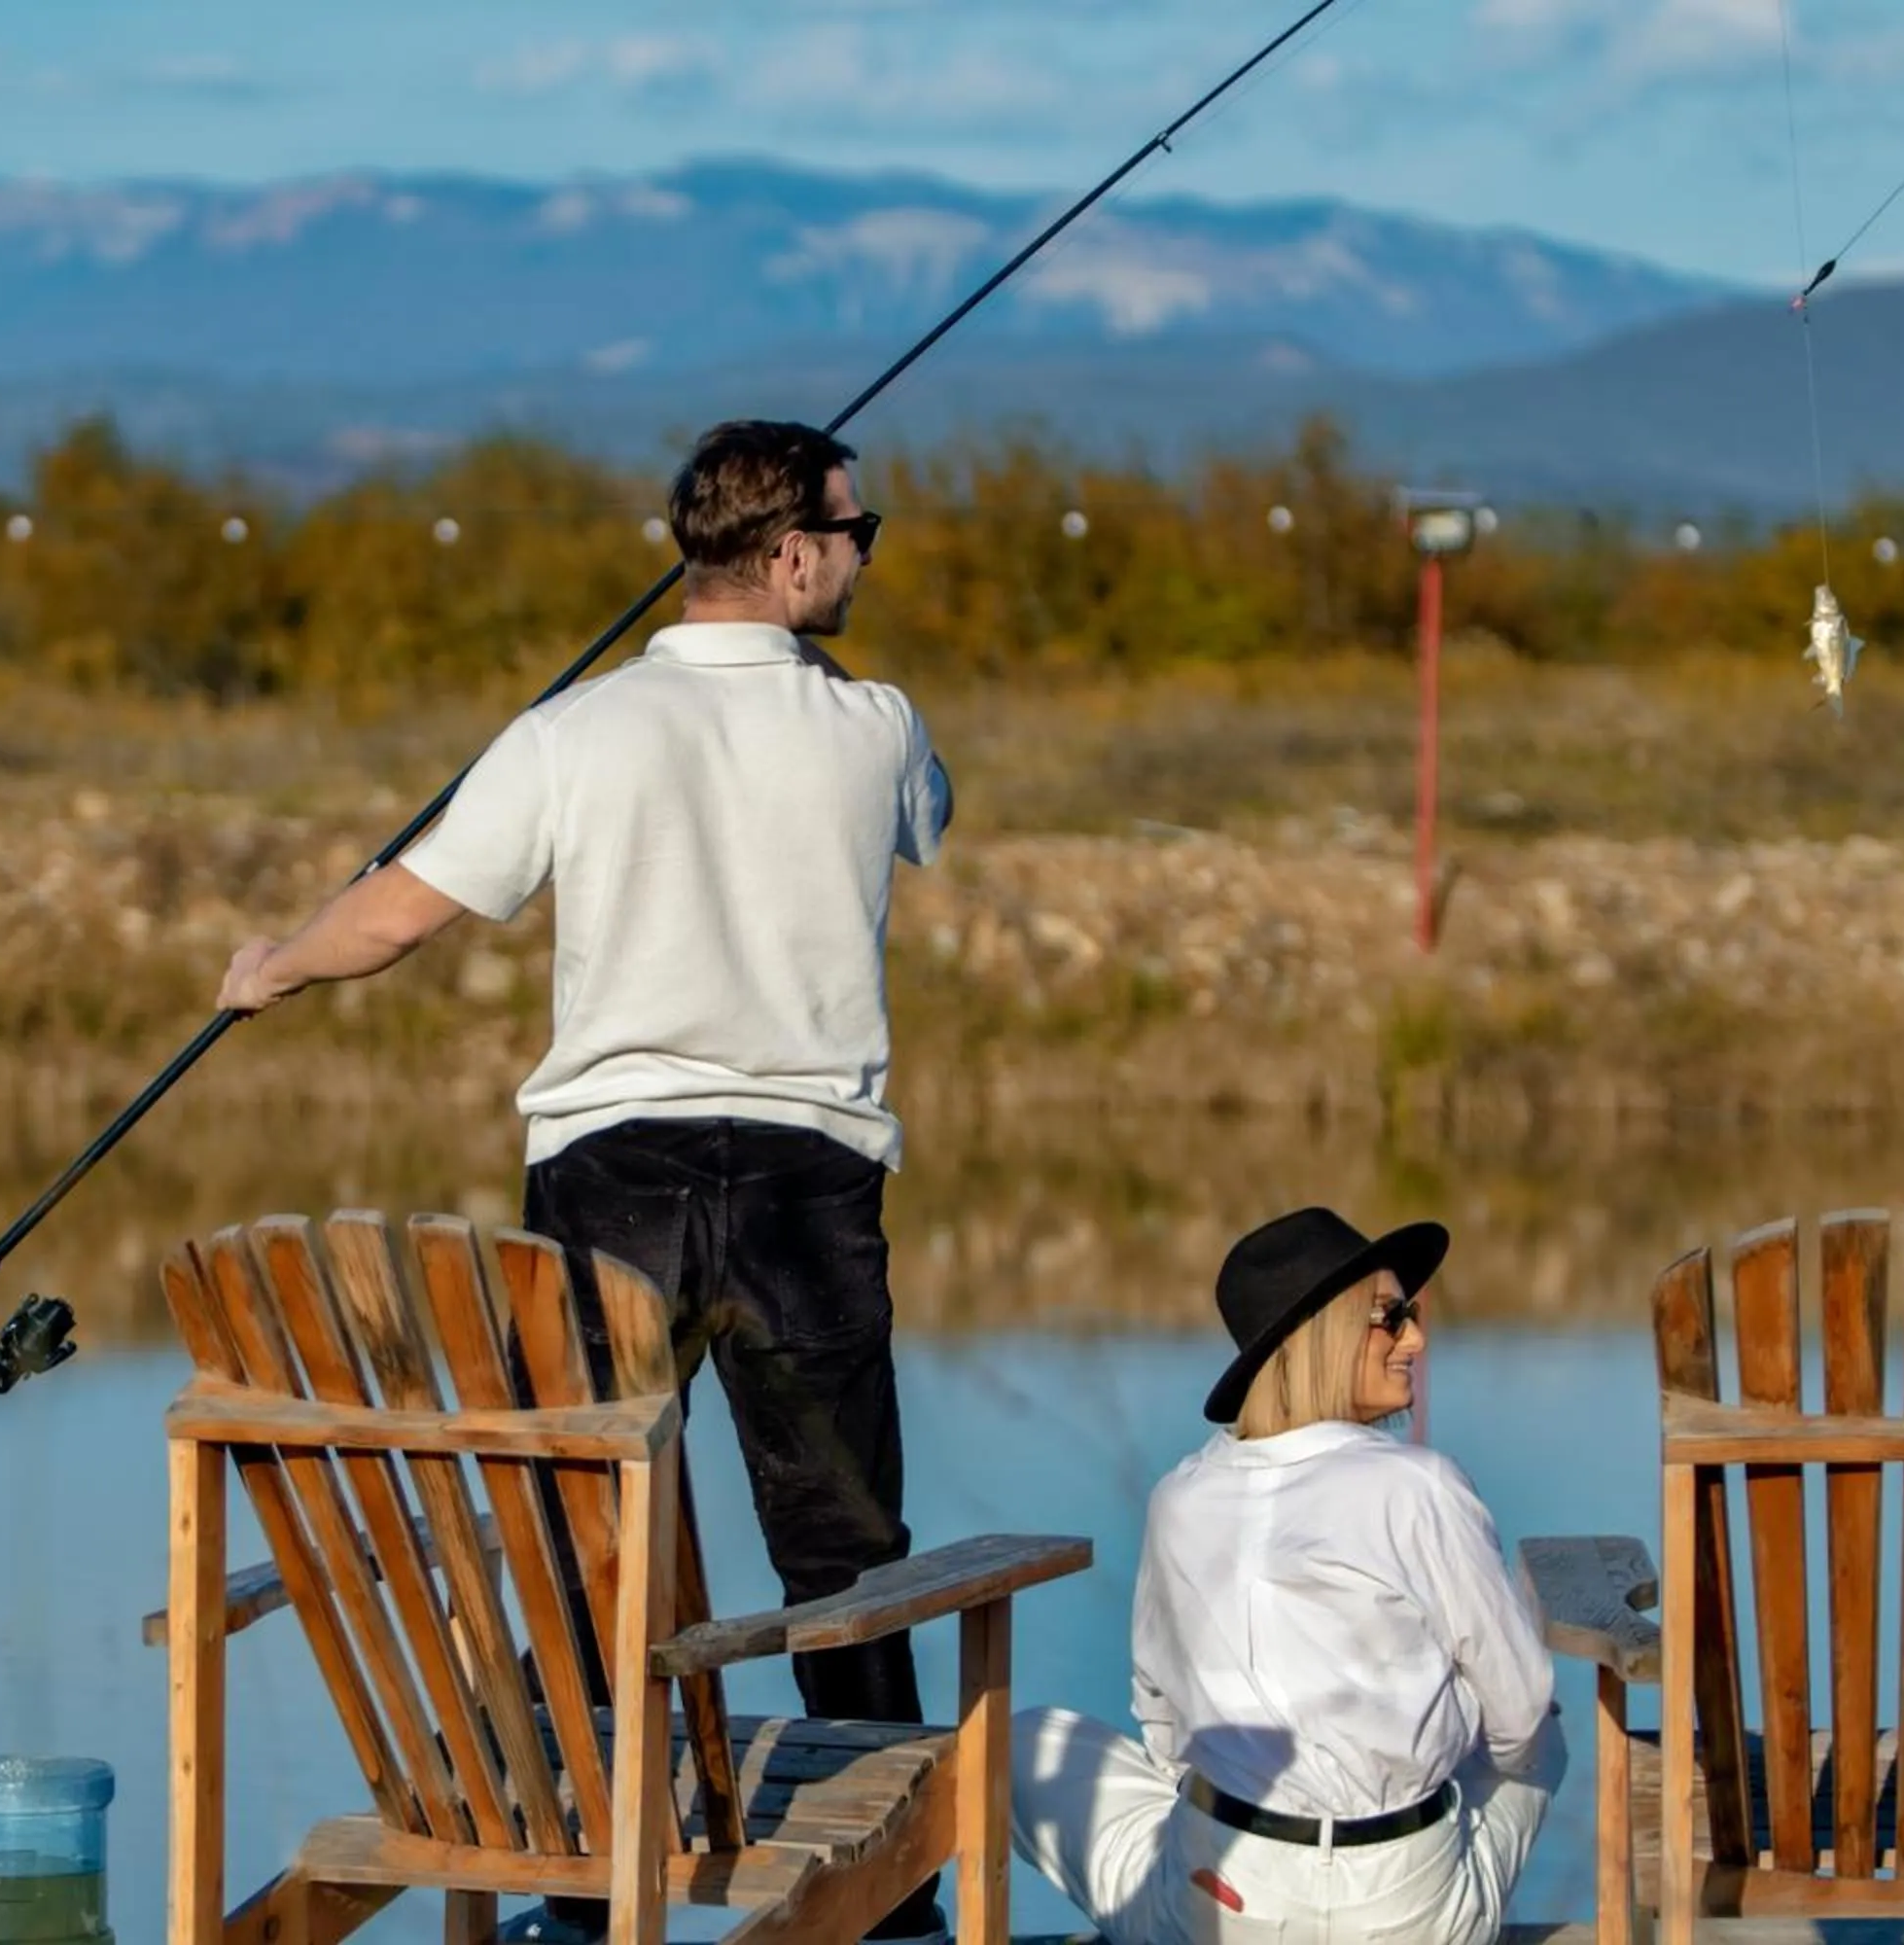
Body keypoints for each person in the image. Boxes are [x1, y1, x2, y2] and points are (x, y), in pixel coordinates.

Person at [217, 419, 953, 1944]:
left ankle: (571, 1886)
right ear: (793, 557)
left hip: (613, 1177)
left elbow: (398, 914)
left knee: (575, 1529)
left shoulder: (573, 731)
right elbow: (926, 818)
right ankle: (891, 1904)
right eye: (858, 533)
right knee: (842, 1542)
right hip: (809, 1185)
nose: (866, 558)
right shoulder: (877, 723)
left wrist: (270, 968)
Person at [1009, 1207, 1564, 1945]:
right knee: (1542, 1738)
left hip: (1220, 1901)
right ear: (1323, 1333)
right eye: (1392, 1317)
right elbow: (1522, 1716)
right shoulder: (1420, 1488)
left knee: (1023, 1744)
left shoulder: (1180, 1498)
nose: (1416, 1339)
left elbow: (1166, 1729)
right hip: (1408, 1913)